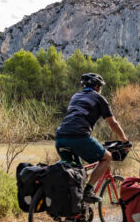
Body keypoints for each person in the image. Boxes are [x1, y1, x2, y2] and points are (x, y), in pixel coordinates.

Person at [55, 73, 130, 203]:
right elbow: (113, 123)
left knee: (75, 173)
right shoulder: (99, 99)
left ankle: (72, 211)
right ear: (97, 86)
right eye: (100, 87)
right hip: (79, 136)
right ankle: (88, 191)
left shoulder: (75, 96)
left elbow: (77, 117)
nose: (101, 89)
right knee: (107, 157)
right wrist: (125, 141)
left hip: (60, 137)